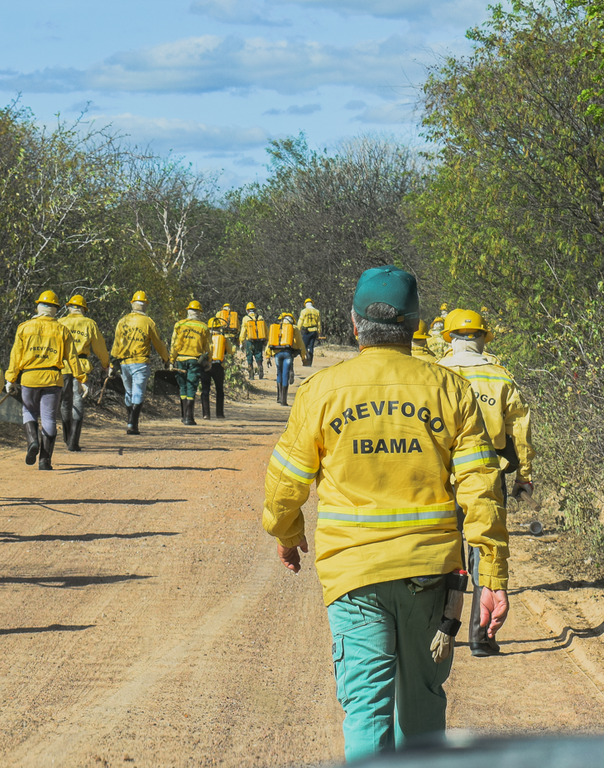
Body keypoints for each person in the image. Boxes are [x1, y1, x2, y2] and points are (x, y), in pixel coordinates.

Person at [262, 265, 509, 763]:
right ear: (417, 326)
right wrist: (494, 576)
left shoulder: (322, 392)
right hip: (431, 575)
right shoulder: (451, 390)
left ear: (355, 325)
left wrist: (287, 535)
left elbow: (285, 485)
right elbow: (481, 489)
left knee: (367, 709)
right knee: (421, 709)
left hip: (354, 576)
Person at [438, 308, 534, 657]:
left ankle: (438, 631)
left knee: (445, 549)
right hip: (487, 472)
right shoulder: (501, 377)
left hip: (442, 472)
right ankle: (480, 637)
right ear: (482, 337)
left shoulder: (434, 373)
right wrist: (524, 475)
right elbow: (520, 431)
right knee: (485, 548)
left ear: (449, 337)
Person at [5, 290, 84, 470]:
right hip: (53, 379)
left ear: (38, 306)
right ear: (55, 309)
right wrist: (81, 378)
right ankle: (44, 461)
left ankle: (33, 441)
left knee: (29, 412)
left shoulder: (24, 327)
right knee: (48, 418)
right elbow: (72, 358)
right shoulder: (62, 330)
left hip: (30, 378)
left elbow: (16, 357)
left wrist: (11, 379)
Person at [111, 290, 169, 435]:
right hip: (141, 362)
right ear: (146, 305)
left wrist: (112, 363)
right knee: (138, 393)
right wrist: (166, 358)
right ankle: (133, 423)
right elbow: (159, 343)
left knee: (129, 393)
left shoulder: (122, 321)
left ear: (132, 303)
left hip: (125, 363)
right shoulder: (148, 322)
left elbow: (117, 344)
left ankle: (131, 421)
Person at [58, 294, 110, 451]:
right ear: (84, 309)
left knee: (65, 402)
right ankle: (74, 440)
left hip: (63, 366)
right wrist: (105, 365)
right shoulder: (89, 324)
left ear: (69, 307)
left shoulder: (60, 322)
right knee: (78, 400)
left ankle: (67, 438)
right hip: (80, 366)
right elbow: (100, 347)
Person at [170, 300, 210, 426]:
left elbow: (174, 345)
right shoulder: (203, 327)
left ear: (188, 311)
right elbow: (208, 346)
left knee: (183, 386)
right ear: (199, 312)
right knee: (191, 387)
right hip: (194, 360)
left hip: (181, 359)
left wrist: (171, 360)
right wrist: (209, 361)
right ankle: (189, 417)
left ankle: (183, 415)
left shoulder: (179, 325)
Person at [265, 313, 306, 406]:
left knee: (279, 373)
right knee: (285, 375)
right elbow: (300, 343)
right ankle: (284, 400)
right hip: (288, 354)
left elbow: (269, 343)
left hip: (277, 354)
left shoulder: (276, 328)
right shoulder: (294, 328)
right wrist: (303, 357)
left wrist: (268, 356)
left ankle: (279, 397)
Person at [200, 317, 235, 419]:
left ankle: (206, 414)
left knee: (205, 390)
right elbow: (231, 351)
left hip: (205, 365)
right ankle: (219, 414)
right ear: (219, 327)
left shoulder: (204, 337)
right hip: (218, 366)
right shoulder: (223, 337)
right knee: (219, 390)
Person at [239, 302, 266, 380]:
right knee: (259, 355)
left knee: (249, 356)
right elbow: (265, 330)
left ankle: (251, 374)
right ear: (255, 310)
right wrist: (265, 339)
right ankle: (260, 367)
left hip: (249, 341)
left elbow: (243, 331)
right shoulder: (260, 317)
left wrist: (241, 341)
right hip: (259, 340)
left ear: (247, 310)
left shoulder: (245, 319)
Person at [297, 298, 321, 367]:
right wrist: (319, 332)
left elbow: (300, 321)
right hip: (314, 331)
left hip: (306, 330)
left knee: (304, 346)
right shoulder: (317, 312)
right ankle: (310, 362)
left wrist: (298, 330)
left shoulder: (304, 311)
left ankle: (306, 359)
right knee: (311, 346)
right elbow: (319, 323)